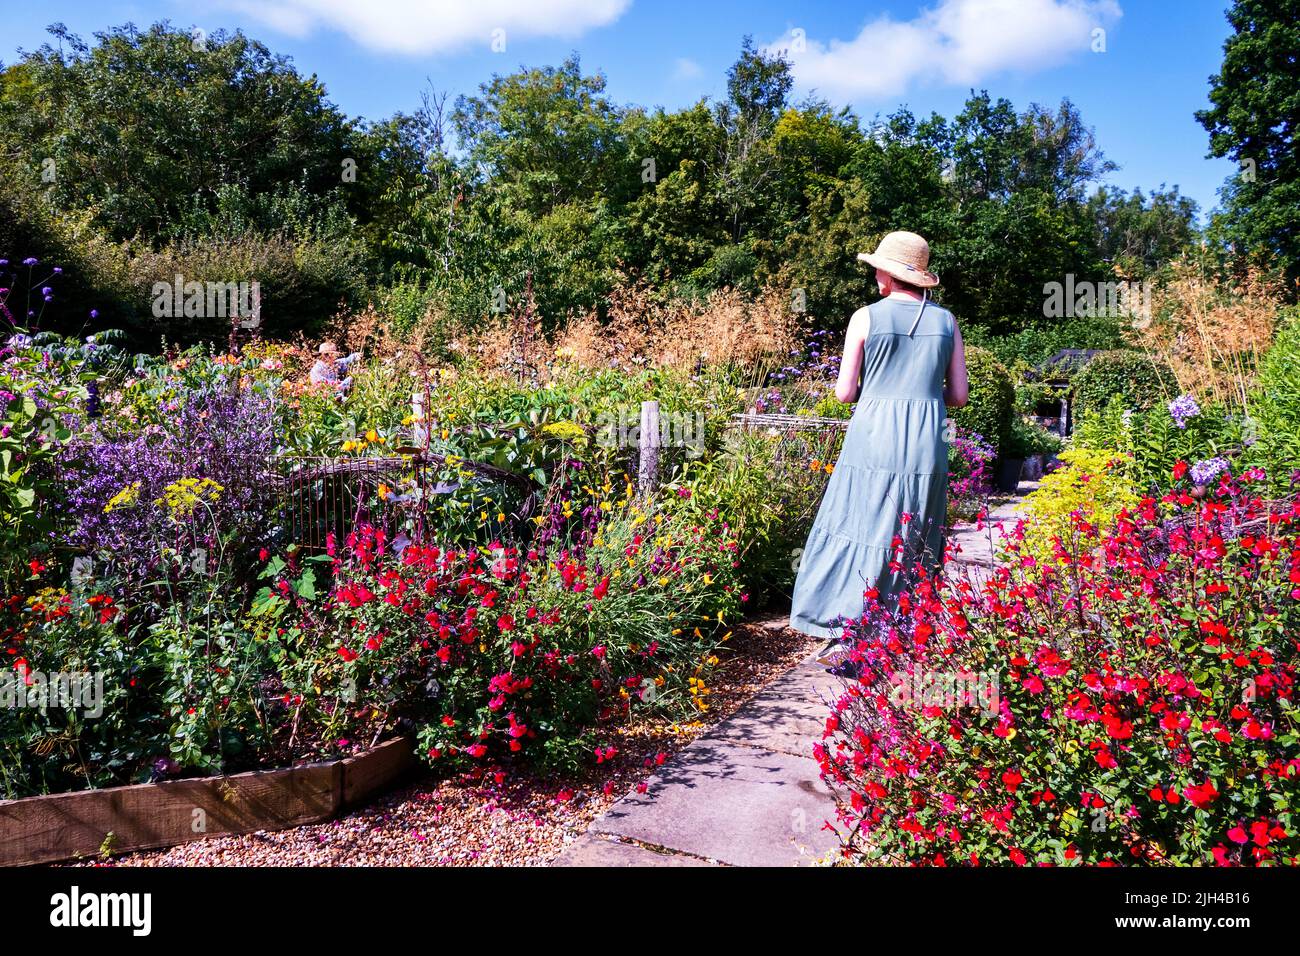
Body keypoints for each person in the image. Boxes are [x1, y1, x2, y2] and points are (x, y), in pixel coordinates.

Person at [788, 231, 969, 669]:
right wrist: (921, 395)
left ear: (889, 273)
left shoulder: (865, 317)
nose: (874, 274)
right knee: (914, 533)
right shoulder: (947, 322)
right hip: (927, 437)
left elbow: (844, 392)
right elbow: (959, 395)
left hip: (873, 435)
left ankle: (849, 631)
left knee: (860, 522)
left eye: (877, 267)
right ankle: (902, 633)